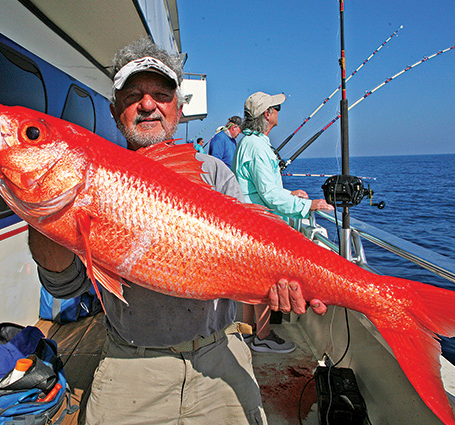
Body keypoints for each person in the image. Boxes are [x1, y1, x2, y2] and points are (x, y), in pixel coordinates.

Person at [28, 39, 327, 425]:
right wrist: (45, 215)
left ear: (179, 108)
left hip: (220, 352)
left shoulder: (215, 173)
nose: (148, 104)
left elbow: (254, 254)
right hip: (130, 363)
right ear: (115, 109)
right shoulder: (94, 179)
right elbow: (65, 287)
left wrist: (282, 287)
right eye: (133, 95)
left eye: (161, 94)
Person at [232, 91, 334, 354]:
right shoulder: (256, 146)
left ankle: (248, 332)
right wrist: (310, 204)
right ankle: (263, 336)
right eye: (276, 107)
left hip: (248, 224)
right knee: (264, 285)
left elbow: (259, 188)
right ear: (267, 114)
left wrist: (289, 193)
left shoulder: (249, 142)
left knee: (250, 284)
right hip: (259, 227)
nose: (279, 111)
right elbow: (268, 195)